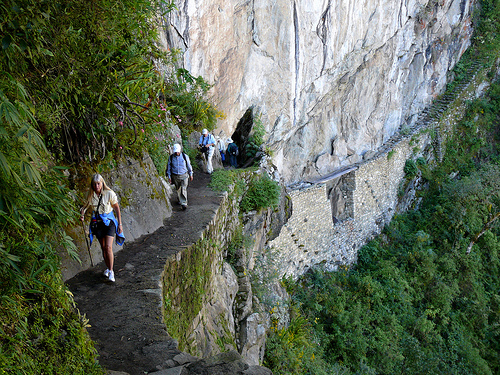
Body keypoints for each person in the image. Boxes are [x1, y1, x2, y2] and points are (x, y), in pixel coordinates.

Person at [80, 174, 125, 282]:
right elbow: (85, 207)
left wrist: (120, 224)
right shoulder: (90, 195)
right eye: (94, 184)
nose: (97, 186)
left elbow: (116, 208)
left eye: (98, 184)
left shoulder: (109, 193)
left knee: (108, 247)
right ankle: (108, 268)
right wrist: (82, 214)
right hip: (98, 223)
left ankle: (111, 271)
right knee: (103, 247)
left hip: (109, 223)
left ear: (102, 183)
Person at [166, 143, 194, 210]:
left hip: (184, 175)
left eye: (178, 152)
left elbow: (189, 165)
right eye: (176, 152)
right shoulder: (171, 157)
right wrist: (169, 177)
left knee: (183, 188)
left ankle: (184, 203)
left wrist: (191, 174)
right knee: (178, 189)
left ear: (180, 150)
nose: (177, 153)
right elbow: (169, 167)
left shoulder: (185, 156)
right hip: (175, 176)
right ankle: (179, 199)